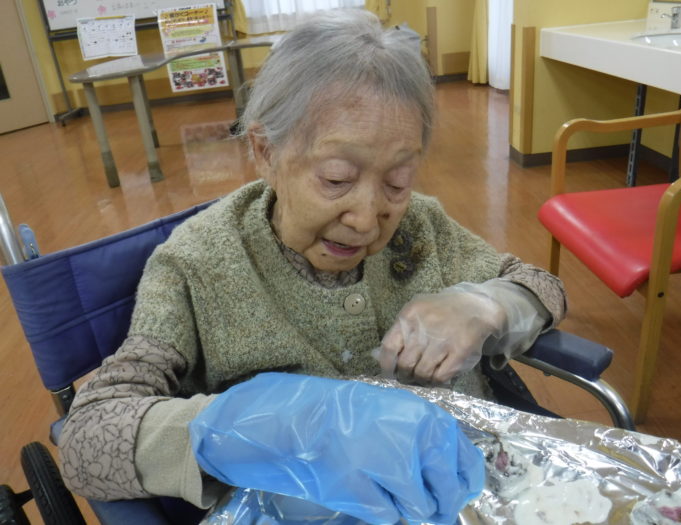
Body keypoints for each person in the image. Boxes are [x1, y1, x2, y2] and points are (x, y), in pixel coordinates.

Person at [58, 8, 566, 523]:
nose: (368, 220)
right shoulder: (197, 264)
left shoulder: (421, 225)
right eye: (337, 178)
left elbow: (540, 286)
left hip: (477, 496)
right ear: (265, 151)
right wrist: (274, 425)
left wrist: (487, 305)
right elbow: (87, 438)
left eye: (397, 181)